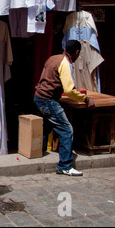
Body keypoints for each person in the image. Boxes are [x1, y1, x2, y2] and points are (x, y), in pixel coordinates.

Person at [34, 39, 95, 176]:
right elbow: (69, 90)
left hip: (39, 97)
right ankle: (64, 165)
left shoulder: (53, 58)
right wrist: (85, 98)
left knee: (47, 126)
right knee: (66, 130)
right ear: (77, 53)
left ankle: (38, 152)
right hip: (48, 100)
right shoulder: (65, 63)